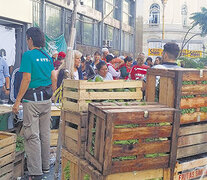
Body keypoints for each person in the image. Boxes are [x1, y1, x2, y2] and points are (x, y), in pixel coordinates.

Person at [12, 27, 57, 180]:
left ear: (30, 39)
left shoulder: (28, 55)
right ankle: (44, 168)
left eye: (26, 39)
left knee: (32, 136)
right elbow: (54, 78)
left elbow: (26, 79)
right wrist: (53, 96)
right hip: (46, 100)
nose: (26, 41)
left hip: (31, 101)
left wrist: (17, 101)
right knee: (45, 134)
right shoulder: (47, 56)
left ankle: (35, 173)